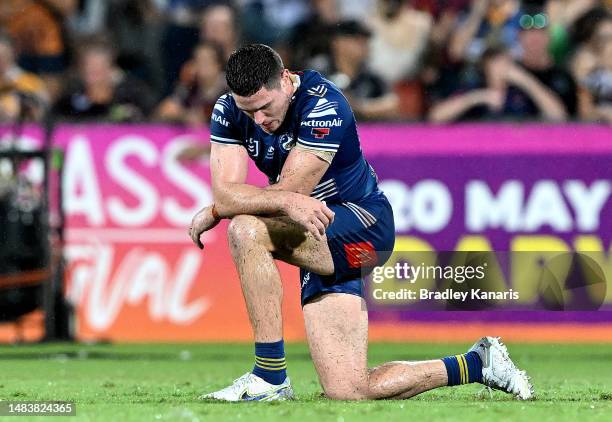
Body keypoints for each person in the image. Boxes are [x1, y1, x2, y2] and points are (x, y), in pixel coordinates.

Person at [189, 44, 533, 402]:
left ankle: (269, 377)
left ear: (286, 81)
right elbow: (230, 195)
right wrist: (222, 207)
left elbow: (292, 191)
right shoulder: (229, 110)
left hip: (364, 225)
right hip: (314, 231)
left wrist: (230, 208)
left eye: (264, 107)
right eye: (249, 111)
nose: (258, 120)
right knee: (349, 390)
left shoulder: (324, 105)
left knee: (246, 229)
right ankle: (478, 364)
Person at [53, 40, 155, 122]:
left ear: (111, 70)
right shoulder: (70, 99)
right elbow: (53, 123)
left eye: (98, 67)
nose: (91, 70)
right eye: (87, 66)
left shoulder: (132, 96)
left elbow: (153, 123)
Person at [0, 33, 49, 123]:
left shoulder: (32, 82)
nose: (1, 60)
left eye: (5, 54)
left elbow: (42, 114)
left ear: (13, 53)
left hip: (22, 132)